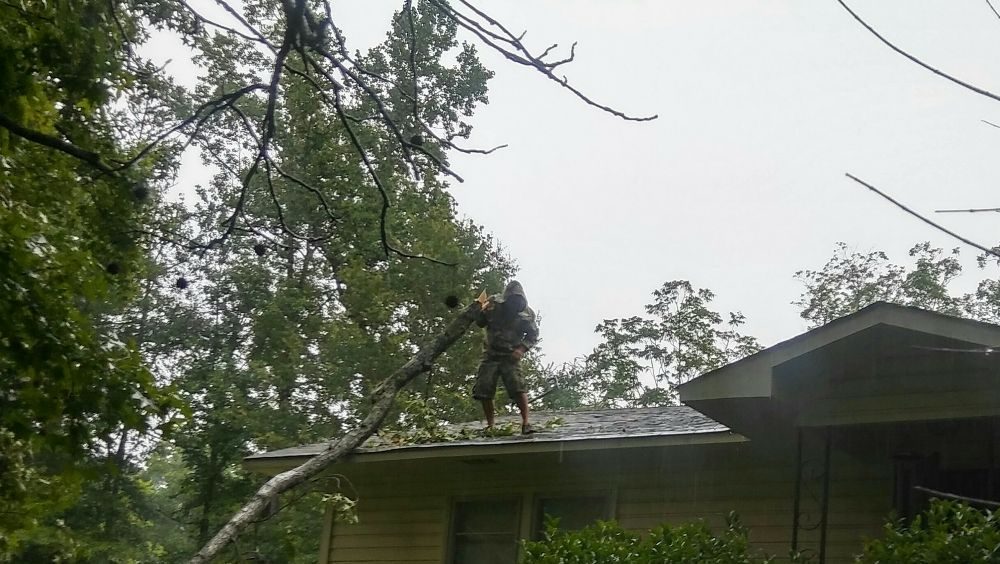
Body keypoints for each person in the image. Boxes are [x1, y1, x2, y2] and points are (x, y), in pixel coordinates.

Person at [472, 280, 540, 434]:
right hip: (491, 354)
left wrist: (521, 350)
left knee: (518, 387)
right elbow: (480, 322)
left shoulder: (526, 315)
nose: (515, 304)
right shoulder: (493, 304)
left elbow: (533, 335)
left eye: (518, 300)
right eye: (512, 300)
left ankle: (526, 423)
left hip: (510, 355)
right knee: (484, 389)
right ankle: (491, 426)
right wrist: (479, 310)